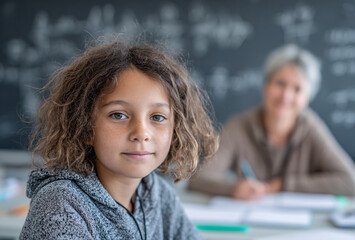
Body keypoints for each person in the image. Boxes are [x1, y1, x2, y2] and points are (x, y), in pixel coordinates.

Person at [20, 40, 218, 239]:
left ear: (176, 130)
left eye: (157, 117)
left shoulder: (156, 193)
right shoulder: (61, 207)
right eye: (118, 115)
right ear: (84, 126)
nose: (141, 133)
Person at [188, 44, 355, 200]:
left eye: (297, 89)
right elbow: (199, 179)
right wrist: (234, 189)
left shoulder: (311, 127)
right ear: (266, 85)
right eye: (280, 83)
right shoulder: (238, 126)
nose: (286, 96)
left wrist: (281, 186)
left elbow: (351, 184)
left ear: (307, 98)